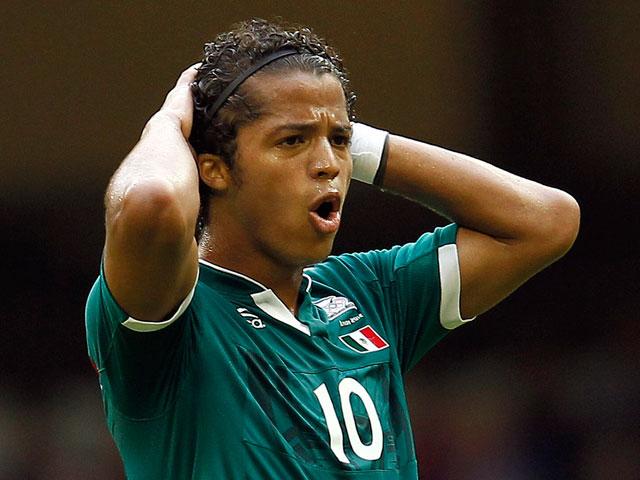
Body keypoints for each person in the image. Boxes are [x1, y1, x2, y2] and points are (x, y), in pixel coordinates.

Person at [85, 18, 579, 479]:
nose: (328, 166)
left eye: (340, 141)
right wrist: (169, 122)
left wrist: (342, 138)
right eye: (291, 141)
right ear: (214, 169)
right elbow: (151, 203)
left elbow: (545, 221)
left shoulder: (368, 293)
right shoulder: (173, 317)